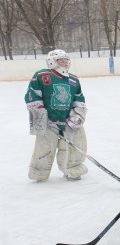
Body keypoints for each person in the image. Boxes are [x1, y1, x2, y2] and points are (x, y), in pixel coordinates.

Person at [25, 49, 88, 182]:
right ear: (52, 62)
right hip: (48, 122)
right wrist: (42, 118)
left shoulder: (73, 79)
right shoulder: (41, 75)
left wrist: (77, 116)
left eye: (66, 60)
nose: (65, 63)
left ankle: (72, 170)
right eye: (61, 60)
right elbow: (32, 96)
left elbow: (79, 99)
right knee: (44, 148)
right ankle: (39, 173)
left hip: (67, 121)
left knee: (73, 146)